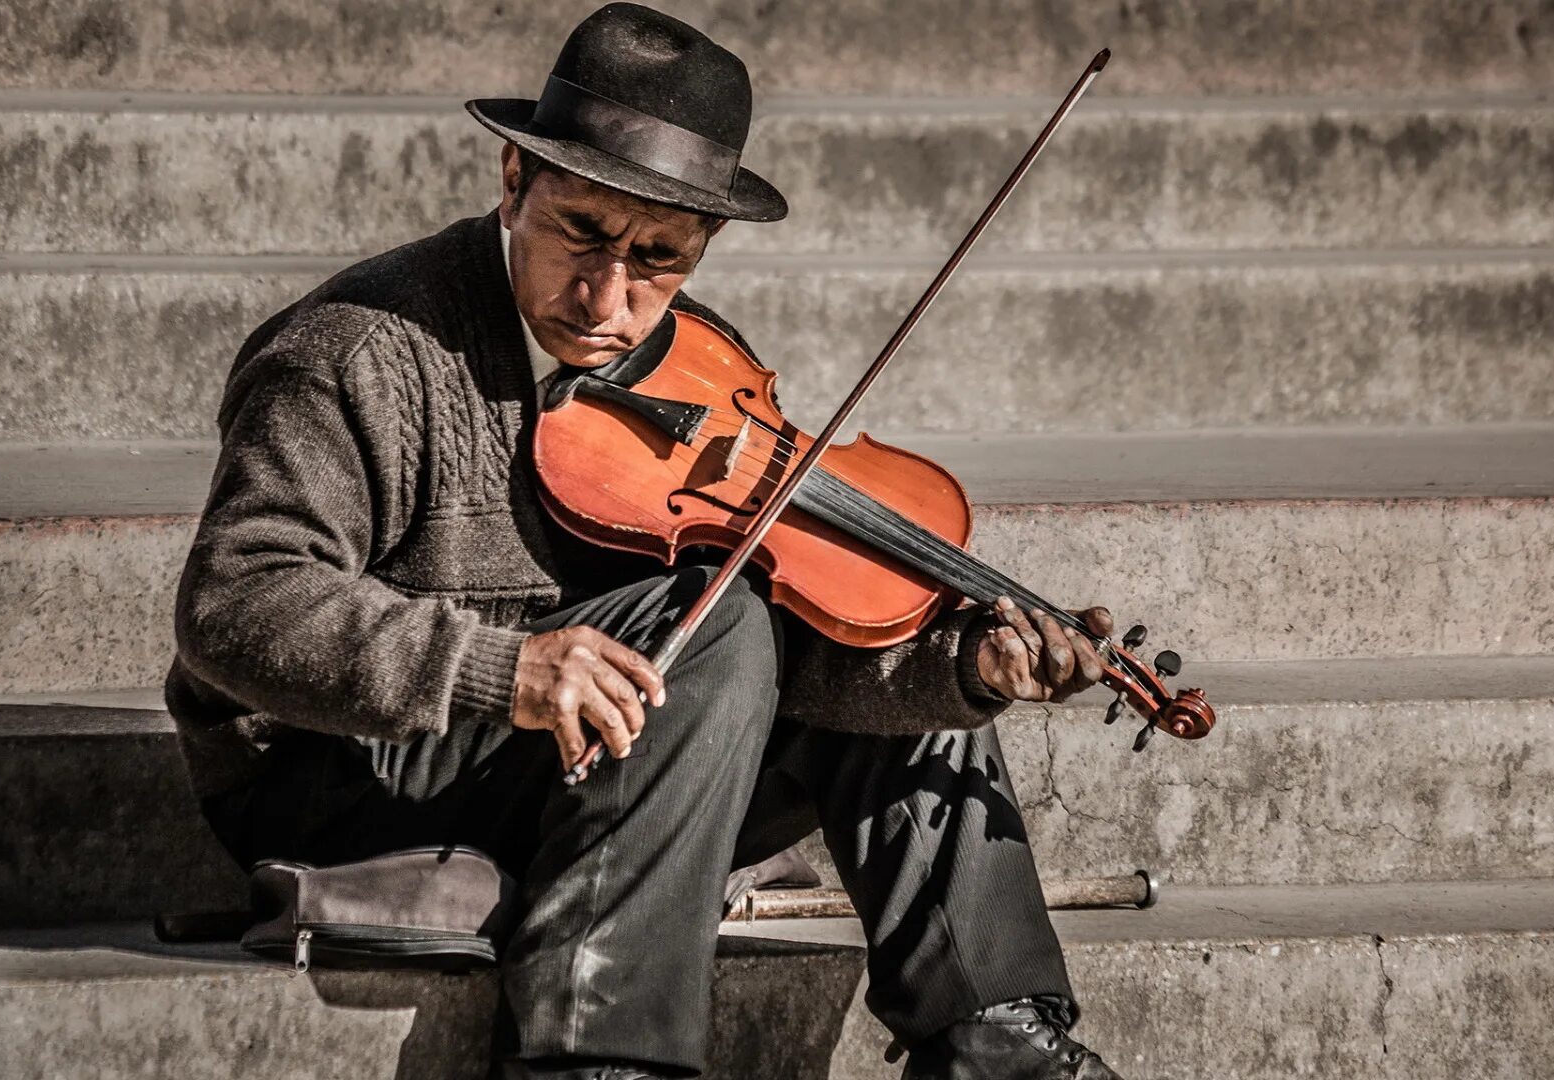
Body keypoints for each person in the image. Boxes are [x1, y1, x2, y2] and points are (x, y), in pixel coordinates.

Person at [165, 5, 1125, 1078]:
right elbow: (235, 602)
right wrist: (505, 669)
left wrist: (955, 671)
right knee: (705, 633)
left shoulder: (701, 371)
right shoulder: (358, 353)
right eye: (582, 233)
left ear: (704, 245)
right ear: (513, 183)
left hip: (608, 766)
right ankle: (601, 1058)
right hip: (345, 772)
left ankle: (998, 1044)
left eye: (659, 257)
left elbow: (788, 652)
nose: (610, 297)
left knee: (884, 618)